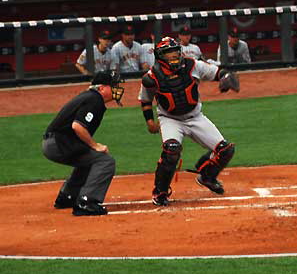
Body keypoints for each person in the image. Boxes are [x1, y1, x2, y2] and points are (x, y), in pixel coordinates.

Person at [139, 37, 239, 206]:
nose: (173, 56)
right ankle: (160, 193)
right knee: (171, 151)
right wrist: (149, 121)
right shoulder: (151, 77)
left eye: (175, 52)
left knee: (226, 150)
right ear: (160, 56)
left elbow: (218, 72)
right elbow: (145, 100)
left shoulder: (193, 66)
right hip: (170, 119)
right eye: (169, 53)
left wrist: (226, 77)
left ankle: (207, 176)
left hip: (195, 117)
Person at [42, 71, 123, 216]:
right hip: (59, 143)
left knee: (89, 160)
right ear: (102, 88)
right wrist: (95, 145)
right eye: (114, 86)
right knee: (105, 161)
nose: (117, 89)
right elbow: (77, 126)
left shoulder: (89, 97)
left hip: (54, 142)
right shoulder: (95, 99)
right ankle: (87, 202)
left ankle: (68, 197)